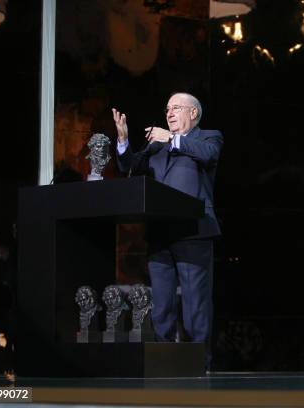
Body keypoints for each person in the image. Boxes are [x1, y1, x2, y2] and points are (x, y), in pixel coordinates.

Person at [112, 92, 223, 368]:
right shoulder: (156, 147)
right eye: (167, 109)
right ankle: (166, 364)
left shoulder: (208, 137)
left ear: (193, 113)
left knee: (195, 305)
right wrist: (124, 140)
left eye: (176, 108)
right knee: (161, 306)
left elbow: (208, 155)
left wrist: (172, 139)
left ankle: (201, 364)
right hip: (160, 233)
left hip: (194, 232)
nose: (169, 113)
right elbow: (129, 166)